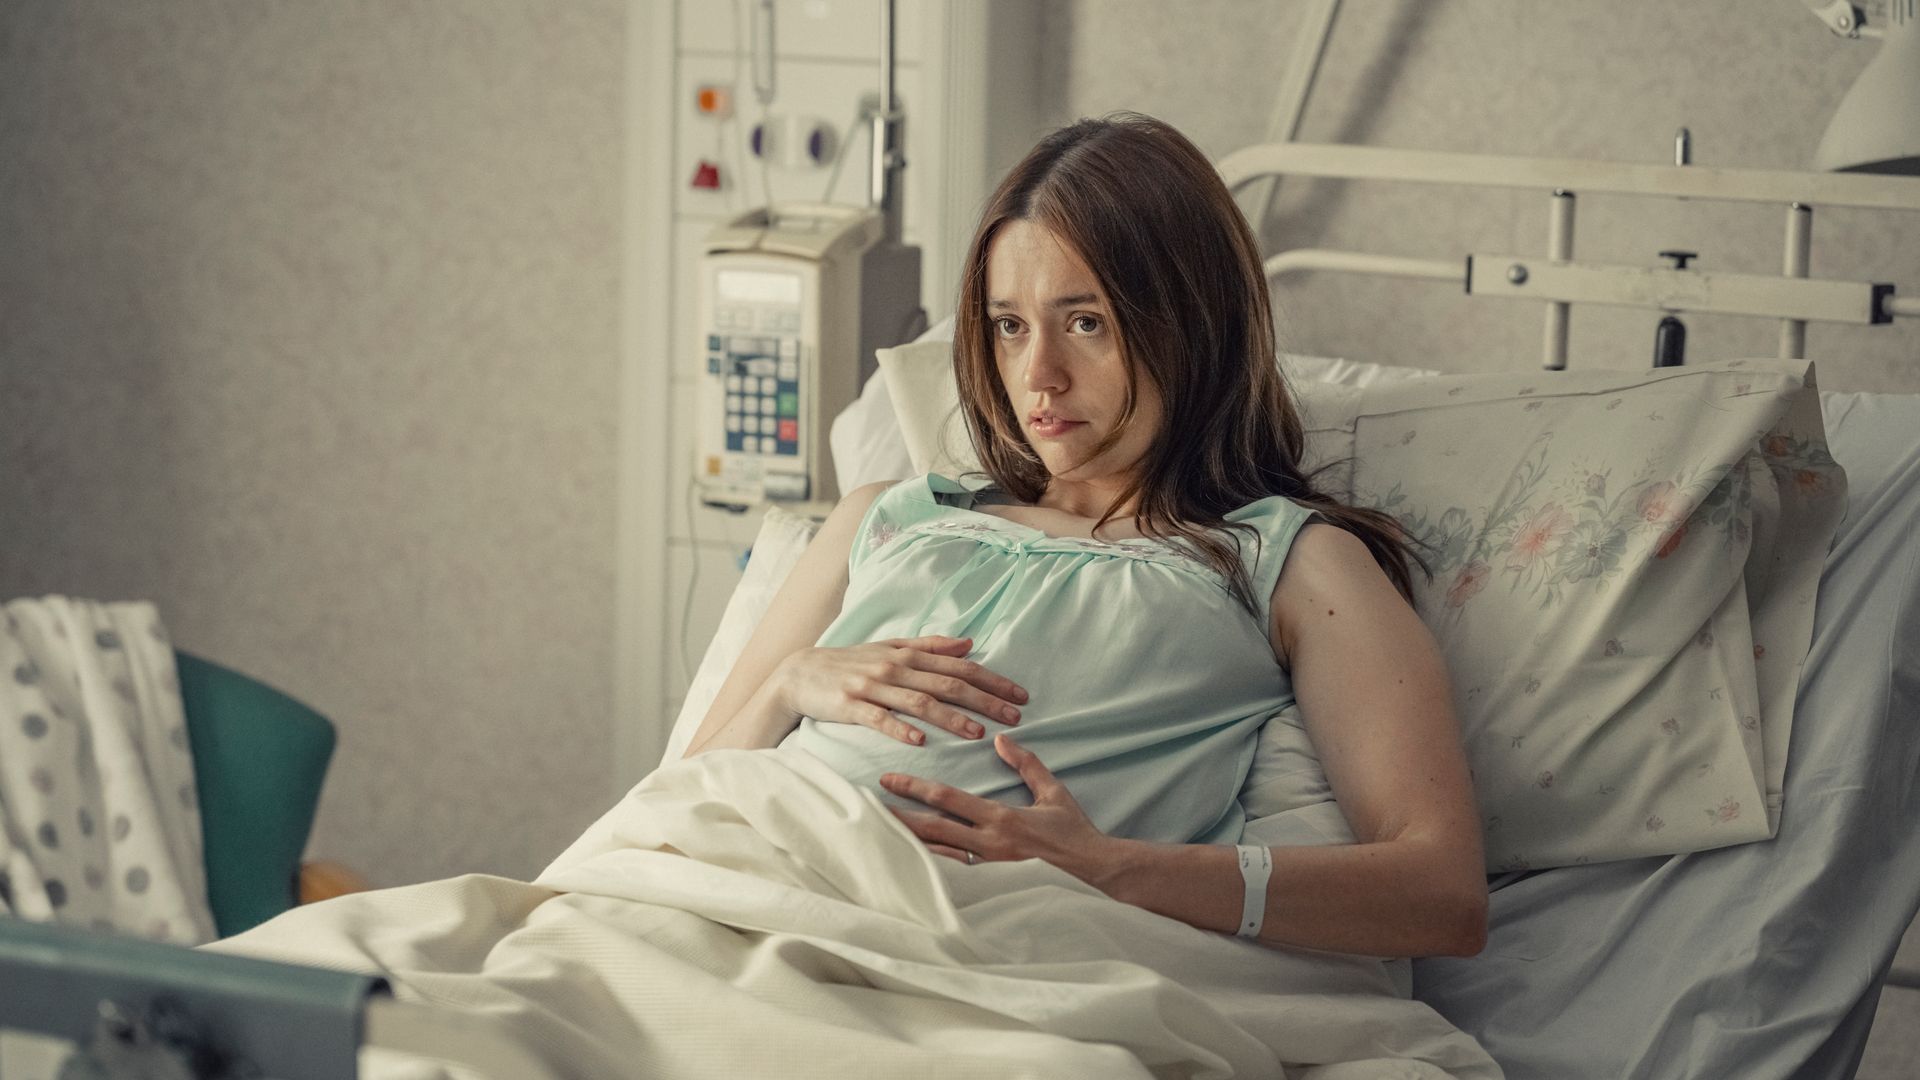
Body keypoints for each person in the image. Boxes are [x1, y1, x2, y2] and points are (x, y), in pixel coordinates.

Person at [682, 113, 1486, 960]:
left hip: (963, 955)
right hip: (732, 896)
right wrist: (785, 683)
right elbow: (671, 803)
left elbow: (1440, 894)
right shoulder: (886, 516)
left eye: (1087, 321)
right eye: (1010, 326)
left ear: (1192, 323)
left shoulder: (1290, 563)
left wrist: (1113, 869)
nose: (1039, 377)